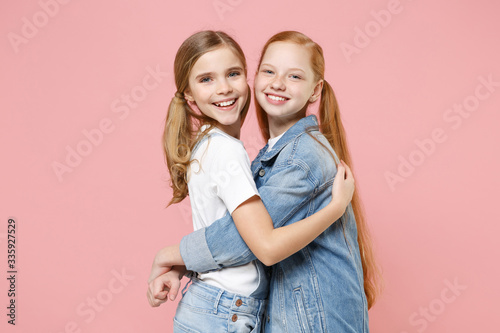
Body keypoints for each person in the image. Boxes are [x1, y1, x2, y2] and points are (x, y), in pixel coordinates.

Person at [147, 30, 357, 332]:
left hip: (231, 310)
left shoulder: (298, 155)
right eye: (269, 71)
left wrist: (173, 257)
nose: (278, 83)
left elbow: (244, 241)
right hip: (222, 310)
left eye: (295, 76)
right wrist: (335, 209)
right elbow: (253, 239)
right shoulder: (235, 150)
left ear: (315, 90)